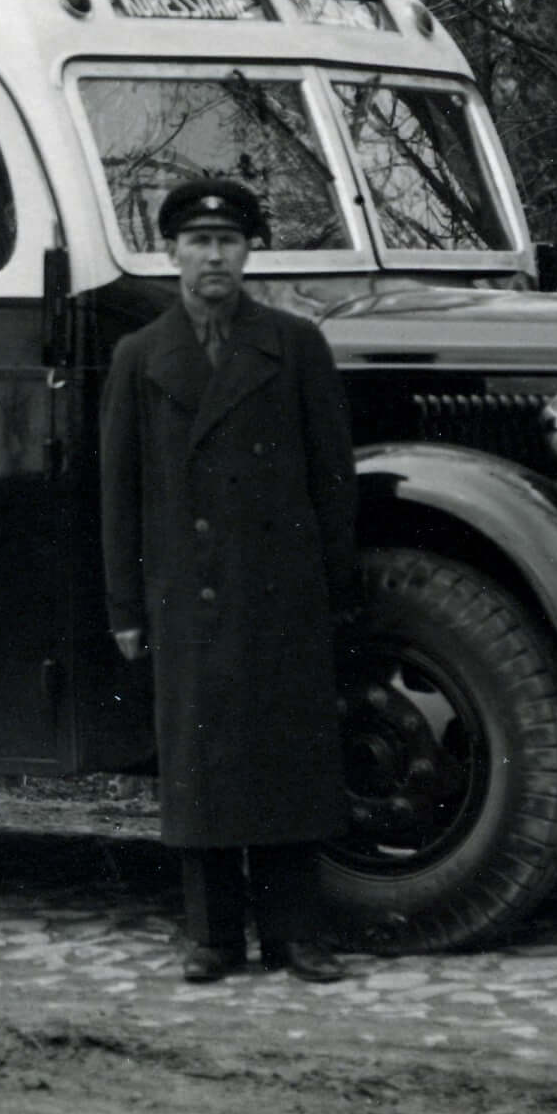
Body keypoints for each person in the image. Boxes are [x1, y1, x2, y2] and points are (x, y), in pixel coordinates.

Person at [100, 177, 360, 983]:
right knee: (200, 766)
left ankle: (294, 936)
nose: (214, 257)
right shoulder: (139, 357)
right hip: (188, 594)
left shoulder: (293, 345)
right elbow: (117, 493)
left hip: (278, 593)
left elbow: (332, 483)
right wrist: (125, 607)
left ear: (248, 254)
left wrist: (335, 593)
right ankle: (211, 938)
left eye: (229, 243)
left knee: (286, 759)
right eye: (198, 242)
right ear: (171, 253)